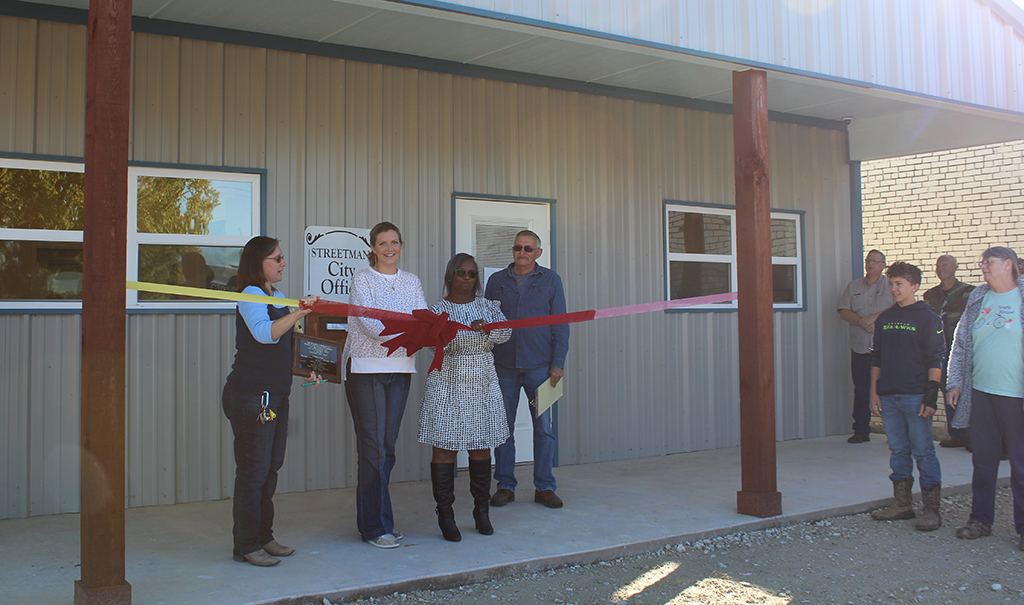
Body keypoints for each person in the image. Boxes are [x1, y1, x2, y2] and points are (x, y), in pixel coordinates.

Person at [221, 236, 321, 567]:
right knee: (254, 471)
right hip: (253, 397)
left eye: (282, 257)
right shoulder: (250, 295)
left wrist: (308, 369)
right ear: (258, 262)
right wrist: (298, 313)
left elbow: (282, 347)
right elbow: (265, 333)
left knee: (270, 469)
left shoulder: (276, 296)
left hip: (275, 396)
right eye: (276, 258)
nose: (283, 263)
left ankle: (264, 537)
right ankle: (246, 545)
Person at [341, 222, 427, 548]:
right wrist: (410, 335)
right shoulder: (362, 279)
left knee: (386, 449)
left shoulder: (412, 281)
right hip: (367, 370)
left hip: (401, 369)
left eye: (394, 242)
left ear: (401, 245)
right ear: (373, 248)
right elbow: (369, 323)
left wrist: (417, 333)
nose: (389, 248)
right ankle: (377, 526)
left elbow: (420, 316)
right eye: (382, 243)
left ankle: (372, 520)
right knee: (374, 449)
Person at [419, 254, 512, 541]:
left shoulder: (488, 307)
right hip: (446, 382)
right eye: (461, 272)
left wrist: (489, 328)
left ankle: (480, 510)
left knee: (481, 448)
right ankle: (445, 515)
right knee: (444, 448)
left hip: (481, 383)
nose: (466, 278)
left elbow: (506, 333)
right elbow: (426, 342)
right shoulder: (436, 310)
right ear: (449, 275)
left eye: (472, 274)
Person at [946, 246, 1024, 550]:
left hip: (1016, 396)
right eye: (982, 263)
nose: (983, 267)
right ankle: (980, 520)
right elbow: (961, 342)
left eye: (988, 263)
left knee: (1020, 464)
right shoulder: (978, 297)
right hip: (982, 393)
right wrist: (955, 382)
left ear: (1009, 265)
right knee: (984, 460)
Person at [484, 230, 569, 509]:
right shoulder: (496, 282)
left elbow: (561, 324)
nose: (522, 252)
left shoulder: (551, 280)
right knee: (502, 428)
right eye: (518, 247)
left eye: (529, 249)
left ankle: (544, 486)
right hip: (503, 366)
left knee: (543, 428)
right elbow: (487, 323)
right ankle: (505, 485)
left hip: (541, 368)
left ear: (538, 253)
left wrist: (558, 364)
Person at [867, 262, 945, 531]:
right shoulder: (885, 319)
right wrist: (874, 393)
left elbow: (936, 358)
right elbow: (876, 357)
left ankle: (931, 510)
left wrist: (931, 396)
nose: (894, 288)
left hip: (915, 397)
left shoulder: (928, 318)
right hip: (888, 397)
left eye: (899, 283)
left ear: (914, 286)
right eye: (891, 284)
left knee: (923, 452)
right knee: (898, 450)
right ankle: (902, 505)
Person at [838, 249, 894, 443]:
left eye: (875, 261)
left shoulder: (891, 285)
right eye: (868, 260)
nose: (870, 264)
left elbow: (898, 308)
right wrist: (862, 321)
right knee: (861, 388)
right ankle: (861, 429)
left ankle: (892, 431)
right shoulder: (853, 286)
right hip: (861, 346)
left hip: (886, 348)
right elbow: (844, 311)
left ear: (883, 265)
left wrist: (874, 319)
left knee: (887, 388)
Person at [922, 254, 975, 449]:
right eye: (938, 264)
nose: (941, 268)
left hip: (962, 351)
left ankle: (971, 436)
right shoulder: (930, 295)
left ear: (955, 267)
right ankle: (956, 434)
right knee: (947, 390)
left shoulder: (969, 292)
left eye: (945, 264)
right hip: (939, 350)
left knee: (965, 391)